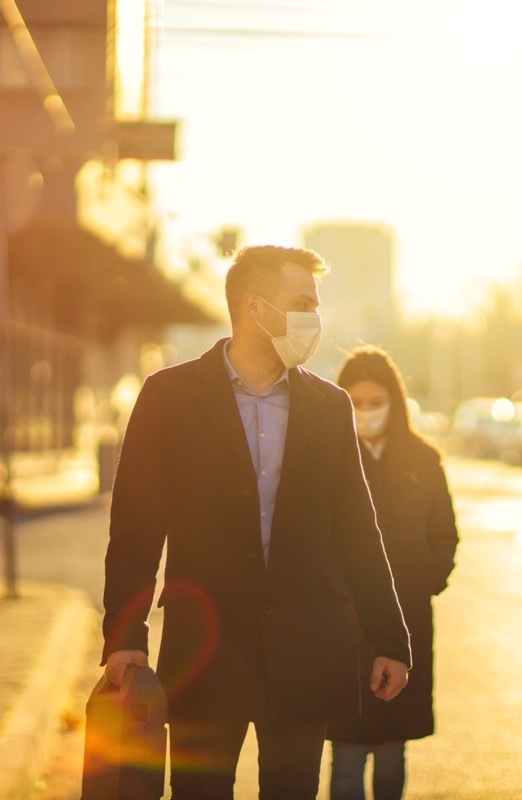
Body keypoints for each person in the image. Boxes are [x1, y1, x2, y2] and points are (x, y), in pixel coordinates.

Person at [102, 245, 412, 800]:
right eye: (301, 303)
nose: (314, 320)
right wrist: (124, 636)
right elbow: (136, 527)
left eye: (316, 305)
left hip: (305, 650)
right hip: (207, 648)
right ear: (255, 307)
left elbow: (357, 529)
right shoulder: (168, 397)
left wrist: (389, 637)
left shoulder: (329, 406)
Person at [326, 347, 460, 800]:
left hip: (408, 622)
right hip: (344, 626)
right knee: (346, 748)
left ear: (395, 401)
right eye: (355, 402)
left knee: (391, 747)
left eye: (375, 401)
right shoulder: (325, 458)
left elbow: (445, 533)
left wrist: (428, 578)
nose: (366, 412)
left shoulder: (422, 460)